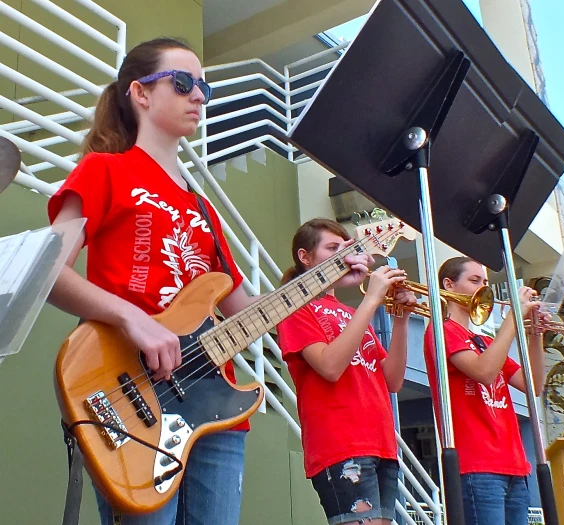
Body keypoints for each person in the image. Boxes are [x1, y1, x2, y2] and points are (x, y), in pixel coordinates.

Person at [46, 38, 371, 525]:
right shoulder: (105, 170)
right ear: (140, 93)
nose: (199, 95)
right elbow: (46, 272)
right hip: (132, 392)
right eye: (183, 83)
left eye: (205, 86)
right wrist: (134, 318)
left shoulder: (204, 208)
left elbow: (245, 309)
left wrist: (324, 277)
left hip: (216, 410)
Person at [275, 218, 414, 525]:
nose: (343, 256)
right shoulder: (294, 306)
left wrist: (401, 319)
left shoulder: (351, 313)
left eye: (345, 249)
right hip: (341, 442)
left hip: (380, 441)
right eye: (332, 248)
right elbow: (329, 367)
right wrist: (372, 299)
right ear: (305, 256)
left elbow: (392, 380)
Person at [422, 256, 546, 525]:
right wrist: (513, 319)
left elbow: (533, 385)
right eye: (474, 280)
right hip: (477, 465)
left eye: (485, 282)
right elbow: (484, 373)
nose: (483, 288)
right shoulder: (441, 330)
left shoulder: (485, 341)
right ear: (449, 285)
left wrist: (535, 334)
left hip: (514, 465)